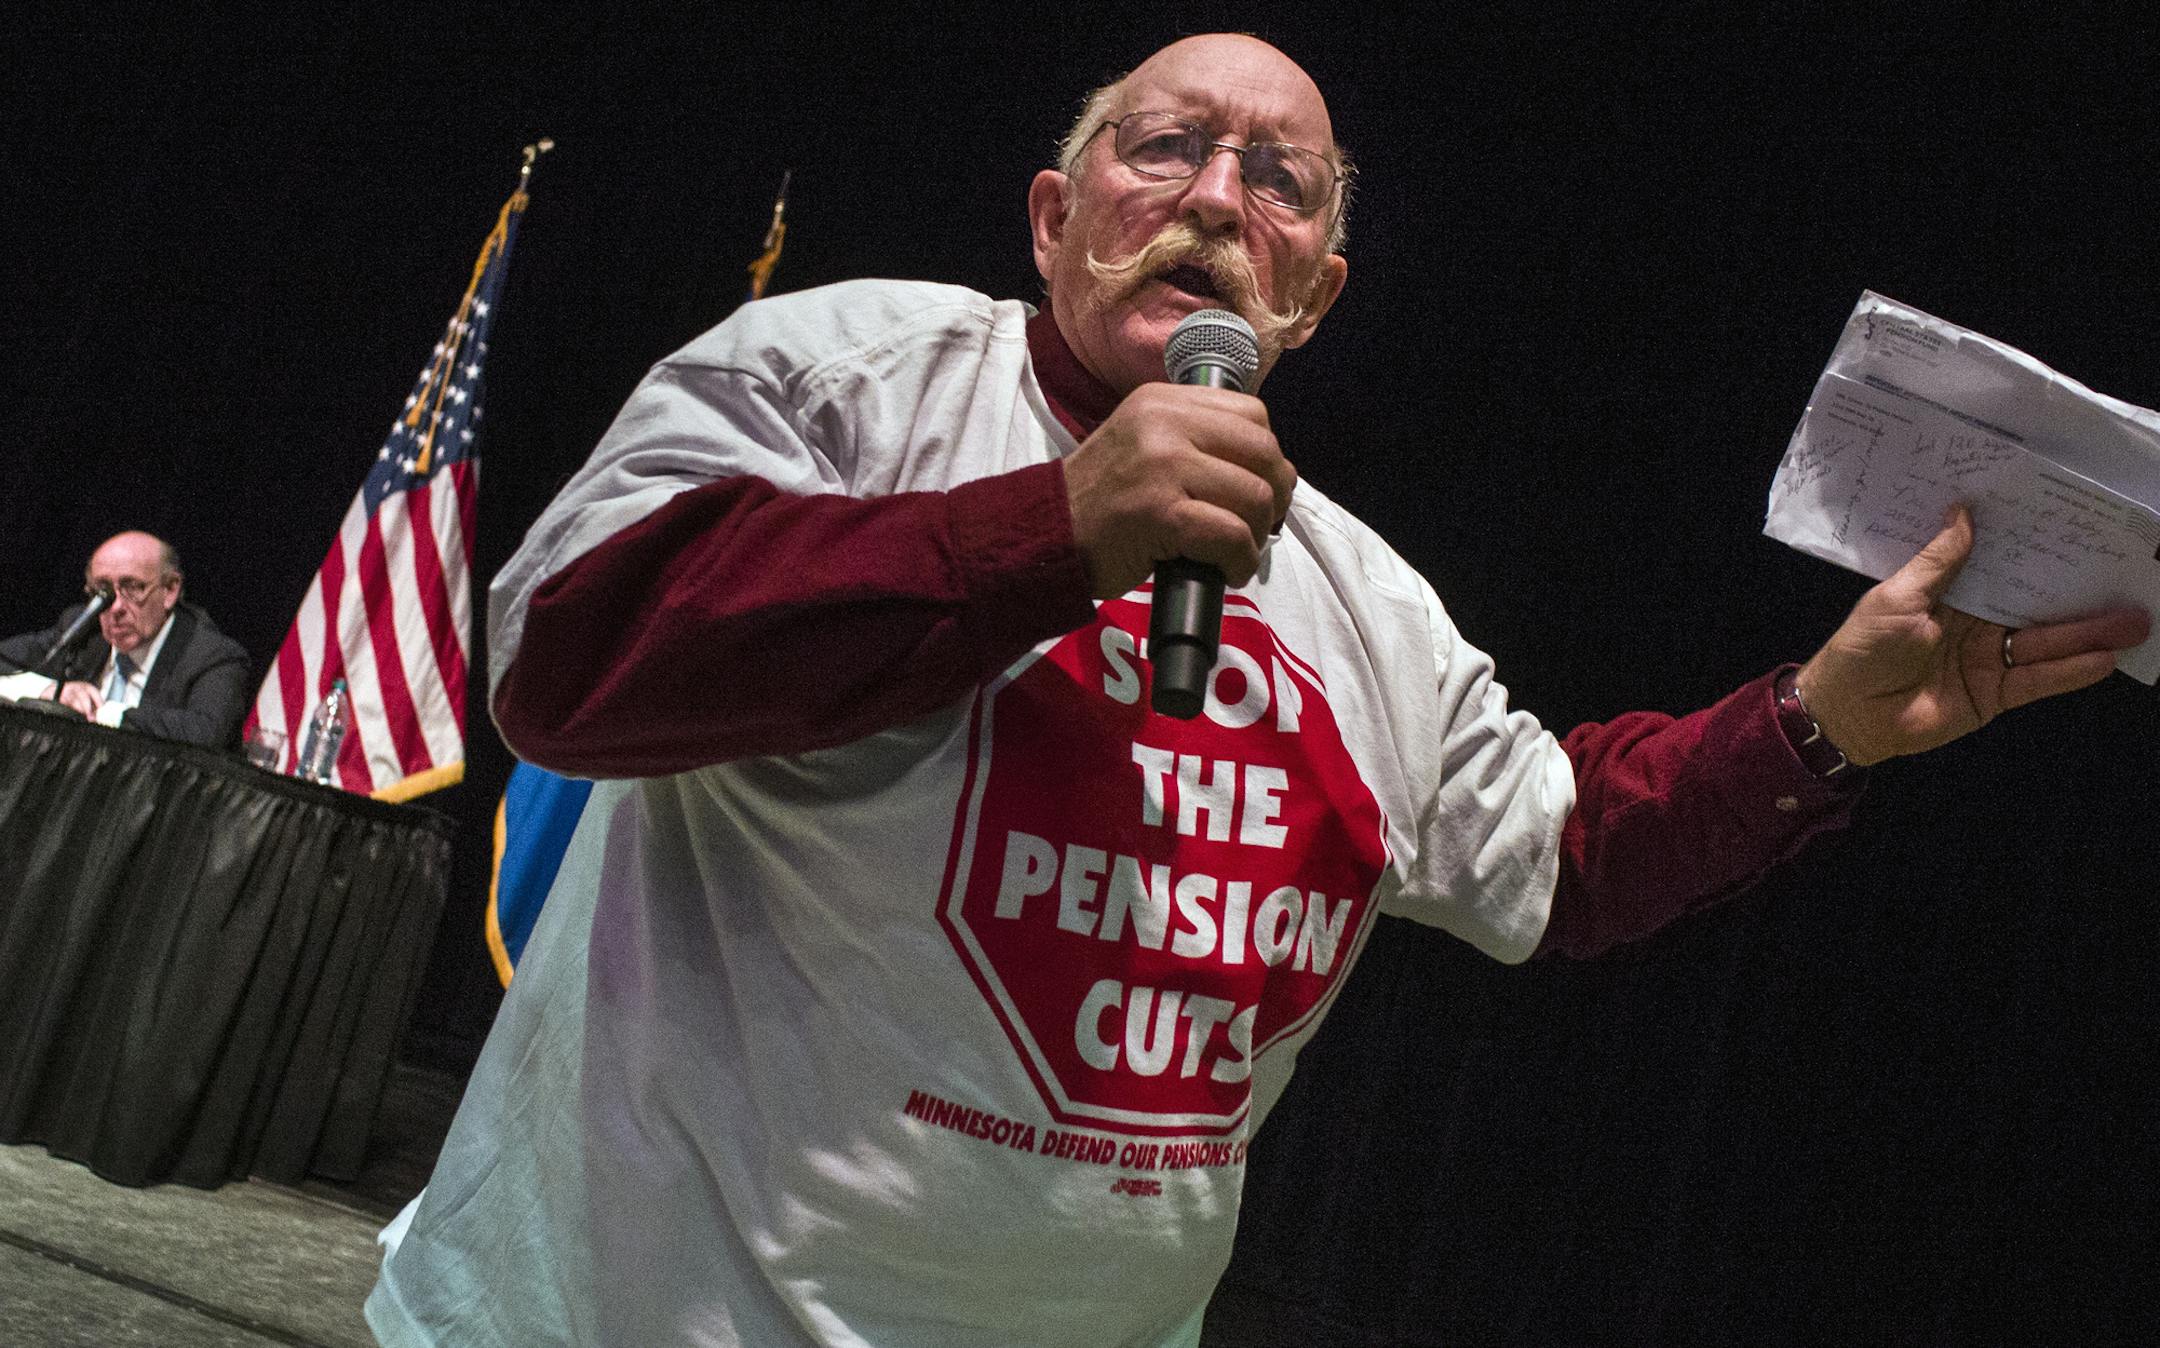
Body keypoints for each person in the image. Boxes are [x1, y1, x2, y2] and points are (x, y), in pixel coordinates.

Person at [367, 34, 2147, 1348]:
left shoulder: (1368, 602)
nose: (1218, 197)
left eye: (1279, 182)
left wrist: (1821, 719)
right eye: (1165, 149)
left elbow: (1567, 855)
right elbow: (571, 662)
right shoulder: (841, 377)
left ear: (1314, 294)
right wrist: (1054, 531)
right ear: (1056, 216)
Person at [0, 530, 250, 750]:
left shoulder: (213, 657)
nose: (116, 607)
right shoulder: (83, 628)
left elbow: (205, 733)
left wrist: (105, 713)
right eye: (103, 591)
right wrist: (49, 691)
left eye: (133, 587)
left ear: (170, 590)